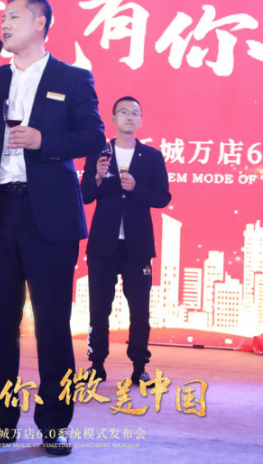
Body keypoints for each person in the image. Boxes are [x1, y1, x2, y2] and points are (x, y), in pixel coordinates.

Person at [0, 0, 105, 456]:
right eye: (2, 17)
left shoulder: (72, 77)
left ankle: (54, 424)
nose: (4, 23)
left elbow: (93, 136)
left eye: (13, 16)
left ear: (40, 23)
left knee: (52, 323)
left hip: (49, 217)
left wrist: (43, 140)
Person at [80, 97, 171, 386]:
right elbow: (84, 195)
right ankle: (96, 365)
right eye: (123, 112)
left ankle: (139, 367)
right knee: (99, 308)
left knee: (140, 310)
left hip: (137, 246)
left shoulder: (152, 156)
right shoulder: (99, 153)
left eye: (134, 113)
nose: (129, 117)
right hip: (103, 244)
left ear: (141, 120)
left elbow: (163, 197)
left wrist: (136, 188)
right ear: (113, 118)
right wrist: (97, 177)